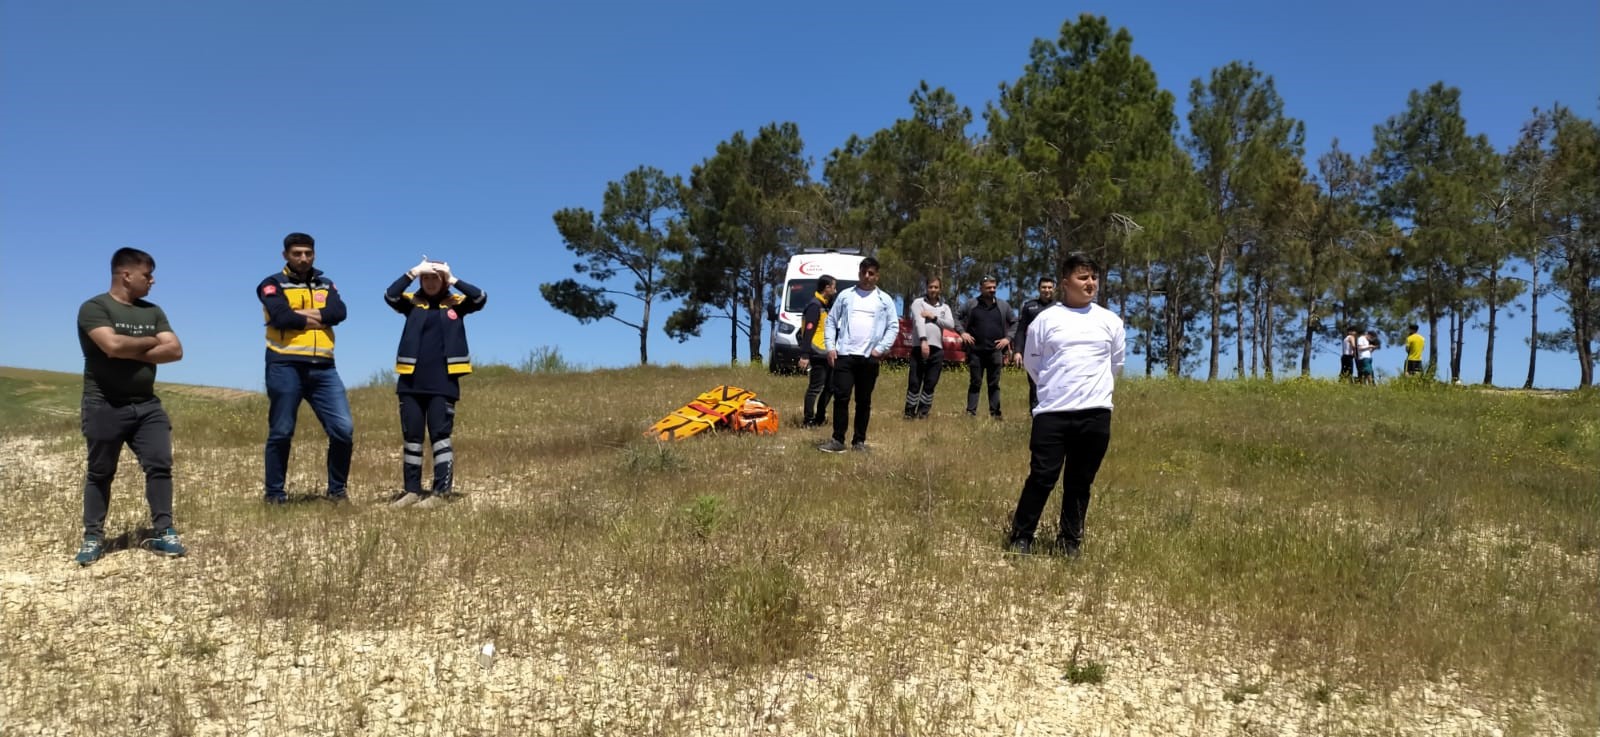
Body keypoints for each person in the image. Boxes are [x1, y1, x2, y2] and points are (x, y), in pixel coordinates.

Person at [73, 248, 187, 565]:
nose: (152, 280)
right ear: (126, 275)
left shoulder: (152, 311)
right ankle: (93, 537)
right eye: (147, 275)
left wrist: (130, 350)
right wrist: (151, 343)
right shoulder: (95, 308)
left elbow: (176, 350)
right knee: (100, 472)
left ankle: (164, 531)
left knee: (160, 465)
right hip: (104, 404)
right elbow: (111, 345)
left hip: (146, 405)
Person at [1008, 252, 1125, 558]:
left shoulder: (1109, 321)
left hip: (1095, 413)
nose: (1090, 283)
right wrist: (1056, 391)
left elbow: (1116, 364)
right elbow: (1033, 363)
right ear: (1065, 283)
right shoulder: (1045, 320)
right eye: (1083, 277)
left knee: (1080, 481)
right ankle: (1022, 536)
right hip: (1053, 413)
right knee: (1042, 477)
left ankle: (1069, 541)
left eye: (1094, 277)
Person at [384, 258, 488, 508]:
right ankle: (412, 491)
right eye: (426, 278)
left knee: (440, 436)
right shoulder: (411, 303)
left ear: (442, 281)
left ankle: (441, 493)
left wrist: (453, 278)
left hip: (443, 381)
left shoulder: (457, 304)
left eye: (435, 278)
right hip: (410, 381)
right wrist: (412, 272)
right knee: (412, 437)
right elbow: (390, 295)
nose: (430, 283)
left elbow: (480, 298)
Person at [258, 232, 353, 503]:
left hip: (324, 368)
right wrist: (320, 318)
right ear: (285, 255)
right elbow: (280, 316)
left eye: (308, 253)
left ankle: (337, 492)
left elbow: (340, 313)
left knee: (343, 430)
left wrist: (298, 316)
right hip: (284, 363)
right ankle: (274, 495)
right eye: (297, 253)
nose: (303, 258)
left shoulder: (326, 284)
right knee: (282, 431)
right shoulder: (271, 284)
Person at [819, 257, 898, 453]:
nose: (866, 277)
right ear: (859, 273)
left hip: (869, 357)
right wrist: (830, 347)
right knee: (841, 397)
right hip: (845, 355)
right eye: (863, 272)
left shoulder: (885, 300)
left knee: (864, 401)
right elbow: (830, 322)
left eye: (871, 273)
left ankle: (859, 442)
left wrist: (880, 348)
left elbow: (893, 326)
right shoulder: (846, 296)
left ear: (877, 276)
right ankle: (838, 440)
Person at [956, 276, 1016, 419]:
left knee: (994, 384)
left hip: (995, 352)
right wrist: (962, 333)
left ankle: (995, 414)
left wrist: (1007, 339)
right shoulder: (971, 304)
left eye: (994, 287)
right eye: (989, 288)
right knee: (975, 383)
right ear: (981, 288)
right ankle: (971, 413)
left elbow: (1015, 322)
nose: (992, 290)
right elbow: (955, 316)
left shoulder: (1003, 306)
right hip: (976, 351)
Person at [904, 276, 955, 419]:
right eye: (931, 287)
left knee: (930, 382)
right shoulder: (918, 303)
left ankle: (923, 412)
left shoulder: (945, 307)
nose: (933, 290)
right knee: (915, 381)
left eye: (936, 287)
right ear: (926, 288)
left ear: (940, 289)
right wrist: (923, 340)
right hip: (920, 346)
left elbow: (951, 324)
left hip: (937, 349)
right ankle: (909, 412)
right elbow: (919, 322)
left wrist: (933, 317)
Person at [1009, 277, 1056, 410]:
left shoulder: (1060, 307)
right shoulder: (1029, 306)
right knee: (1035, 383)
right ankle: (1035, 413)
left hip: (1053, 352)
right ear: (1039, 289)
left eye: (1049, 287)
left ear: (1054, 289)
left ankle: (1051, 411)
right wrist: (1018, 351)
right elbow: (1020, 330)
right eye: (1044, 287)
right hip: (1034, 351)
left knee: (1054, 382)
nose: (1047, 290)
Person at [797, 275, 837, 427]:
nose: (835, 290)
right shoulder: (815, 306)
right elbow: (808, 331)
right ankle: (808, 420)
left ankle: (820, 417)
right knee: (815, 388)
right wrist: (805, 355)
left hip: (828, 351)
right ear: (827, 288)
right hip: (817, 351)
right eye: (834, 287)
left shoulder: (826, 304)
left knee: (831, 386)